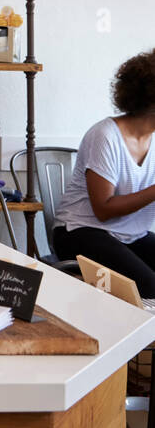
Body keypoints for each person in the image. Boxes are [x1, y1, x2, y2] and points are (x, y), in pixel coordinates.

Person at [56, 49, 155, 295]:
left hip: (131, 235)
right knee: (150, 286)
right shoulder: (105, 135)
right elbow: (104, 210)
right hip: (80, 232)